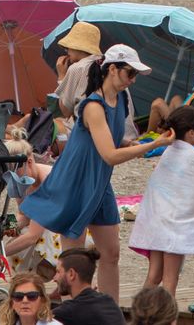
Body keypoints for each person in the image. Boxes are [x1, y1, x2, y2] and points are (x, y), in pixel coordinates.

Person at [24, 45, 168, 303]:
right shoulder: (93, 105)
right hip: (75, 181)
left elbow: (113, 142)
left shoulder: (121, 99)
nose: (133, 80)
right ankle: (73, 314)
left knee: (111, 253)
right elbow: (109, 155)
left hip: (99, 181)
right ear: (112, 69)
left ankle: (109, 314)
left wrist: (131, 145)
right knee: (74, 262)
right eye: (130, 73)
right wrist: (154, 144)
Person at [129, 105, 194, 296]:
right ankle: (167, 320)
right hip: (174, 226)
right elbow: (193, 196)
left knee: (154, 275)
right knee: (171, 278)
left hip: (156, 221)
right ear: (191, 133)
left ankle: (142, 315)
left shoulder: (168, 151)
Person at [51, 248, 123, 325]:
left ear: (71, 274)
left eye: (58, 272)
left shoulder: (66, 313)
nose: (54, 278)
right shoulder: (109, 302)